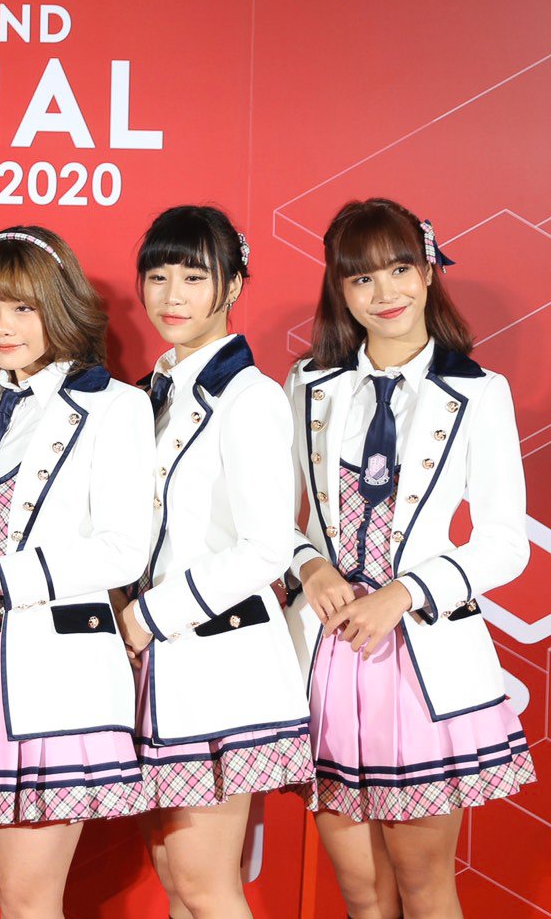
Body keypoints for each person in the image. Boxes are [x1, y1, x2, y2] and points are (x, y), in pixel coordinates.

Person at [285, 198, 536, 919]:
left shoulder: (477, 392)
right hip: (328, 655)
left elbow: (504, 541)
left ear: (428, 271)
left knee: (425, 888)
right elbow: (271, 518)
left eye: (398, 269)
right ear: (340, 290)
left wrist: (404, 593)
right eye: (361, 278)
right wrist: (310, 565)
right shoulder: (308, 385)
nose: (384, 293)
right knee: (362, 894)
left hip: (422, 659)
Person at [0, 226, 156, 919]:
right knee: (5, 890)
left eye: (23, 308)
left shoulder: (116, 405)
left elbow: (123, 549)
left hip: (59, 671)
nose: (2, 327)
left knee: (28, 898)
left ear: (60, 306)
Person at [117, 206, 313, 919]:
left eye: (194, 278)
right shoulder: (147, 396)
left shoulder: (250, 397)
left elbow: (266, 546)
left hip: (220, 663)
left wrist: (147, 615)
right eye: (158, 276)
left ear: (232, 286)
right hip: (154, 664)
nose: (172, 296)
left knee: (205, 886)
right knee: (177, 882)